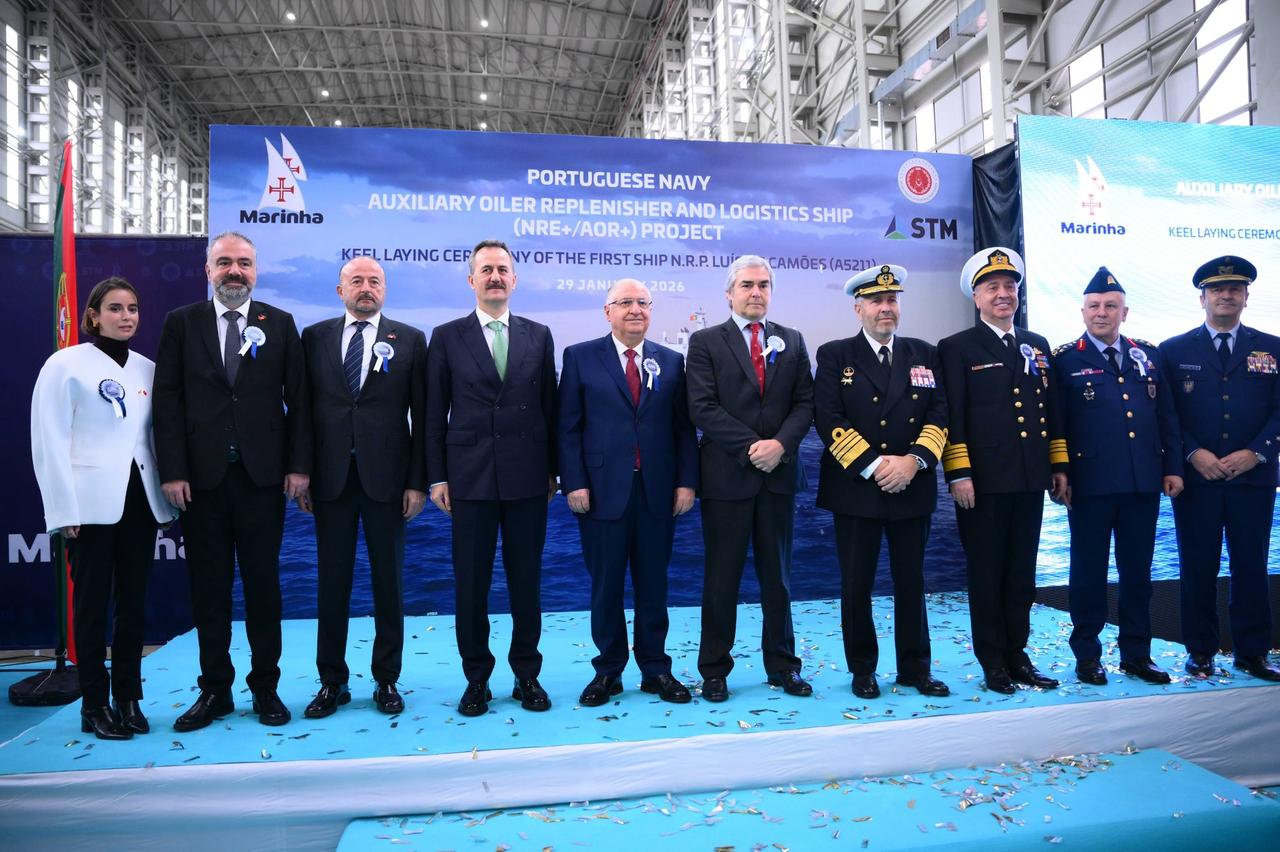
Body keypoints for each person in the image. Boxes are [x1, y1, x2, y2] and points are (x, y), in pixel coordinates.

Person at [153, 231, 312, 731]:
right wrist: (173, 470)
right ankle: (215, 691)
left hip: (264, 480)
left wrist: (298, 466)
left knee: (264, 586)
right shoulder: (181, 324)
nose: (234, 272)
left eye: (243, 263)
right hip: (200, 483)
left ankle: (266, 688)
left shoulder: (280, 324)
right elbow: (167, 402)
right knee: (210, 590)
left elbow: (301, 402)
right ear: (208, 270)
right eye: (224, 263)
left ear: (256, 271)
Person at [31, 278, 177, 740]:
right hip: (87, 508)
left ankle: (128, 698)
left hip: (139, 504)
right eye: (115, 308)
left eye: (133, 308)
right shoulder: (64, 365)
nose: (126, 316)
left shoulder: (148, 370)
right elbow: (49, 440)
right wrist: (62, 508)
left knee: (134, 606)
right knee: (92, 608)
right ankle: (94, 704)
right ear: (93, 316)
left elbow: (153, 440)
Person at [426, 239, 557, 717]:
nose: (495, 276)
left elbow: (549, 408)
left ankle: (527, 675)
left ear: (514, 279)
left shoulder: (539, 335)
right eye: (486, 270)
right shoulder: (445, 336)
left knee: (527, 583)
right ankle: (476, 679)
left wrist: (552, 471)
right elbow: (432, 412)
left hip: (527, 479)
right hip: (469, 479)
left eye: (503, 269)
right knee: (472, 585)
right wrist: (437, 477)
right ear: (471, 281)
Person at [557, 279, 699, 706]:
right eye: (625, 302)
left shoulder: (672, 362)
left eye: (642, 302)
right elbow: (567, 428)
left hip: (657, 492)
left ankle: (656, 670)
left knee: (654, 586)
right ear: (607, 311)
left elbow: (683, 429)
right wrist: (574, 482)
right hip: (600, 493)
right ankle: (609, 671)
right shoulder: (580, 357)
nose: (634, 309)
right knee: (606, 586)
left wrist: (686, 482)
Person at [297, 257, 427, 718]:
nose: (366, 288)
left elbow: (424, 417)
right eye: (357, 280)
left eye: (374, 281)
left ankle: (387, 679)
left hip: (388, 483)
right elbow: (301, 412)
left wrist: (417, 482)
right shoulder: (313, 338)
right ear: (340, 290)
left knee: (388, 584)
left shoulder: (410, 340)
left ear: (385, 290)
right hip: (330, 481)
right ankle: (332, 681)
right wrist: (302, 472)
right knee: (331, 585)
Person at [814, 265, 950, 699]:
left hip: (912, 484)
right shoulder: (835, 355)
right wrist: (876, 466)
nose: (886, 308)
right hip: (858, 488)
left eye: (892, 300)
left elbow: (939, 415)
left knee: (912, 582)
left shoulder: (924, 353)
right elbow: (829, 420)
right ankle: (863, 669)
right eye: (876, 301)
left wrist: (913, 462)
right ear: (859, 308)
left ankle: (915, 668)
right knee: (858, 585)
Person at [938, 247, 1069, 695]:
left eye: (1010, 286)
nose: (1003, 294)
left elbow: (1051, 411)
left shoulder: (1037, 345)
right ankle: (992, 659)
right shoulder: (956, 348)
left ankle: (1018, 654)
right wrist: (958, 472)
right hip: (983, 483)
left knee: (1021, 575)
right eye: (992, 287)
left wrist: (1059, 466)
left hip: (1030, 479)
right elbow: (951, 415)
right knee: (987, 572)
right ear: (975, 296)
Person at [686, 254, 815, 703]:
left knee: (777, 578)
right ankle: (715, 669)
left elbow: (805, 404)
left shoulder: (793, 341)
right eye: (747, 285)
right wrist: (751, 448)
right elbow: (701, 406)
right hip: (727, 479)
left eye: (763, 285)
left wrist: (779, 446)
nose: (756, 292)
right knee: (721, 578)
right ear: (729, 293)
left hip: (778, 477)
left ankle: (783, 665)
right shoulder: (705, 342)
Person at [1052, 268, 1179, 686]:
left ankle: (1136, 655)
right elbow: (1057, 423)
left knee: (1138, 575)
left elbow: (1167, 418)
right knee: (1088, 575)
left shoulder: (1149, 355)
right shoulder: (1065, 359)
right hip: (1089, 486)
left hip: (1142, 483)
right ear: (1083, 311)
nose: (1101, 313)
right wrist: (1060, 471)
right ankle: (1088, 655)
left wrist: (1173, 468)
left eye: (1110, 306)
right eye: (1094, 306)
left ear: (1125, 311)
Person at [1158, 255, 1280, 681]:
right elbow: (1167, 415)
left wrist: (1257, 452)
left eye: (1234, 289)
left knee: (1251, 567)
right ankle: (1201, 651)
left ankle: (1253, 652)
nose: (1225, 295)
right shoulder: (1172, 351)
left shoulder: (1273, 348)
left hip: (1254, 479)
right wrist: (1194, 454)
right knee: (1198, 568)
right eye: (1217, 289)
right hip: (1197, 481)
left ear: (1246, 297)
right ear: (1202, 297)